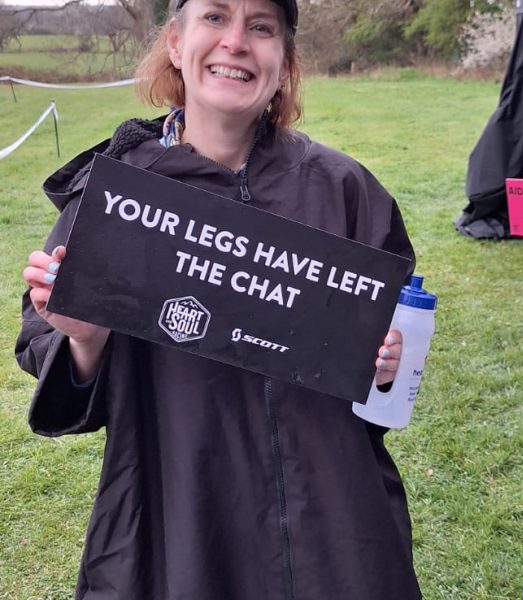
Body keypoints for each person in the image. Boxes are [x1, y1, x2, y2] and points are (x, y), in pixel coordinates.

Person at [16, 0, 422, 598]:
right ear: (175, 44)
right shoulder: (117, 196)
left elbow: (397, 354)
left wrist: (388, 363)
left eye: (261, 27)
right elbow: (51, 356)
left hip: (332, 516)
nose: (236, 41)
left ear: (284, 61)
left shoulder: (345, 189)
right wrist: (85, 337)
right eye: (214, 17)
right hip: (180, 511)